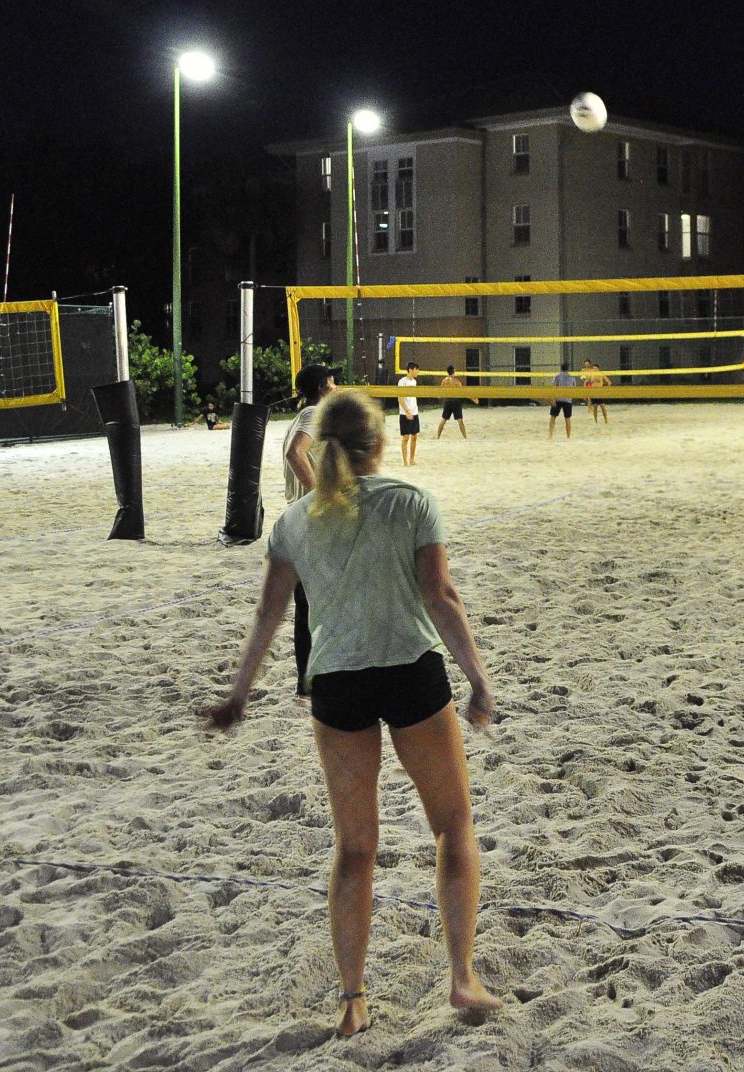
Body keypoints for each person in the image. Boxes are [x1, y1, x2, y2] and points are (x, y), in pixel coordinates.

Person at [200, 390, 500, 1037]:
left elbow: (269, 615)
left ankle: (353, 1001)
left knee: (355, 848)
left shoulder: (295, 520)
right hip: (409, 672)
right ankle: (461, 977)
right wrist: (478, 678)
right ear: (379, 443)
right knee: (452, 825)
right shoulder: (409, 502)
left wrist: (239, 694)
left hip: (336, 684)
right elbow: (440, 596)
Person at [284, 364, 337, 701]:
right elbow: (295, 453)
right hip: (313, 520)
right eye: (332, 380)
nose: (336, 385)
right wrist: (320, 493)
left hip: (301, 520)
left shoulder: (305, 414)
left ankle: (307, 683)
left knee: (307, 605)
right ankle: (317, 680)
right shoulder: (315, 413)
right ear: (322, 386)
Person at [396, 362, 421, 466]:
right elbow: (400, 398)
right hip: (404, 413)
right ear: (411, 369)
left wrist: (412, 411)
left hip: (415, 412)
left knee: (414, 436)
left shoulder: (414, 382)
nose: (418, 372)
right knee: (406, 437)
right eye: (417, 369)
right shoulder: (402, 381)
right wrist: (406, 411)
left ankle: (412, 460)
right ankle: (405, 461)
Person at [548, 364, 580, 440]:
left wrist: (552, 399)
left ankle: (550, 435)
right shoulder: (572, 377)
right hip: (567, 399)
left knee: (553, 417)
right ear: (568, 369)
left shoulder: (557, 376)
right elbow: (574, 387)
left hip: (558, 399)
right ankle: (568, 436)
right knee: (567, 418)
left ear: (561, 368)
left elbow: (552, 387)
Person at [436, 365, 468, 439]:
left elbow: (441, 392)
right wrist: (473, 398)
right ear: (453, 371)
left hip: (448, 401)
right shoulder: (457, 382)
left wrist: (438, 396)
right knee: (460, 420)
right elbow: (463, 392)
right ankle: (465, 437)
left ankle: (438, 436)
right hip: (456, 401)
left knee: (443, 419)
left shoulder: (444, 381)